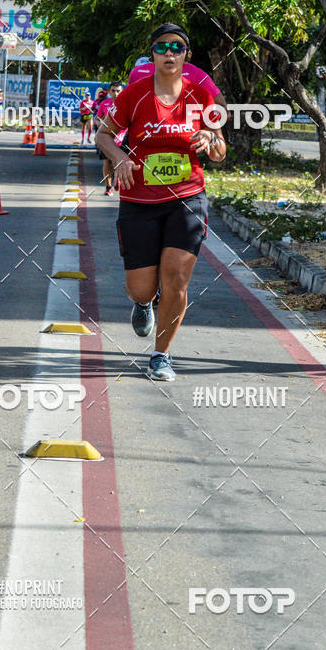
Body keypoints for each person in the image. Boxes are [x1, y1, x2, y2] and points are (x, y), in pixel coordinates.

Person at [96, 22, 226, 381]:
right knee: (142, 287)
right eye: (162, 47)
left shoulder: (201, 96)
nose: (169, 53)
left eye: (177, 47)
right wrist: (120, 157)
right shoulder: (134, 94)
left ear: (187, 56)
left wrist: (210, 139)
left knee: (176, 281)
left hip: (187, 199)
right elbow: (103, 135)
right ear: (152, 54)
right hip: (139, 200)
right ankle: (143, 303)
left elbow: (220, 152)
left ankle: (160, 355)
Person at [94, 81, 123, 196]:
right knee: (107, 162)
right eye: (113, 91)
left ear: (122, 92)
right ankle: (108, 187)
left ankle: (118, 180)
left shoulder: (127, 103)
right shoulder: (104, 104)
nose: (116, 93)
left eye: (118, 91)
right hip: (107, 138)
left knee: (119, 161)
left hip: (122, 138)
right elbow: (97, 118)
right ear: (109, 92)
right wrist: (99, 124)